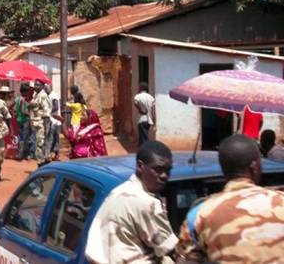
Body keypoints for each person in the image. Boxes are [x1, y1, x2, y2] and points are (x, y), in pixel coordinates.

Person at [176, 134, 284, 263]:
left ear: (223, 169)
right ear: (254, 167)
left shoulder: (199, 214)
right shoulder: (281, 202)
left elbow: (187, 260)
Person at [86, 141, 177, 264]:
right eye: (158, 169)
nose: (164, 176)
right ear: (140, 166)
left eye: (168, 170)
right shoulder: (145, 203)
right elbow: (173, 250)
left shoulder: (117, 192)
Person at [29, 79, 51, 167]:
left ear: (42, 86)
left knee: (40, 146)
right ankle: (43, 166)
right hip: (37, 125)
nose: (36, 86)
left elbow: (46, 114)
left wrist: (46, 129)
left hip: (42, 125)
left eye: (38, 85)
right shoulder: (36, 95)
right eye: (35, 85)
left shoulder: (43, 96)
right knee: (39, 145)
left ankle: (41, 167)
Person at [15, 83, 34, 160]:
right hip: (25, 120)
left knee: (21, 137)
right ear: (25, 91)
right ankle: (22, 154)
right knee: (25, 138)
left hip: (19, 120)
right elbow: (24, 111)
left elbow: (14, 110)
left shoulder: (17, 99)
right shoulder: (24, 100)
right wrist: (30, 109)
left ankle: (20, 153)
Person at [134, 82, 156, 146]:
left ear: (141, 88)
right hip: (149, 120)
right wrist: (154, 122)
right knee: (142, 136)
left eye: (139, 87)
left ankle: (146, 150)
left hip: (141, 119)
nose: (138, 88)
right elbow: (153, 111)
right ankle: (141, 149)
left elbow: (135, 103)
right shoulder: (151, 98)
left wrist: (140, 110)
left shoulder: (138, 96)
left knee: (144, 137)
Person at [45, 84, 61, 160]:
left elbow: (56, 107)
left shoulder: (53, 96)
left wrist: (48, 111)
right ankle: (55, 155)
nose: (45, 90)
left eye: (45, 89)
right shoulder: (49, 96)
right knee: (54, 138)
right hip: (53, 120)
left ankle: (50, 155)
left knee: (51, 138)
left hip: (54, 121)